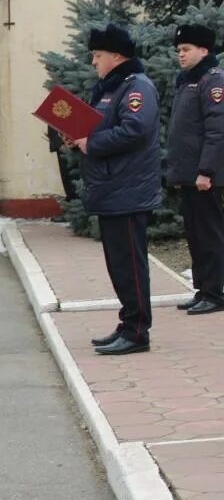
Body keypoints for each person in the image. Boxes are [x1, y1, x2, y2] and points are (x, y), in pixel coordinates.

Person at [66, 24, 161, 356]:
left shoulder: (137, 88)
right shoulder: (110, 88)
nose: (93, 61)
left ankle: (137, 332)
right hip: (112, 187)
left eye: (98, 55)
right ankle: (128, 322)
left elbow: (134, 130)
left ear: (117, 56)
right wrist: (78, 138)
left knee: (130, 264)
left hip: (128, 188)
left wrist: (90, 143)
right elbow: (103, 127)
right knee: (119, 264)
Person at [165, 23, 224, 315]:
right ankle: (203, 289)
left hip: (205, 177)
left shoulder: (212, 81)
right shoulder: (188, 80)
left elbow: (217, 130)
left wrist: (206, 171)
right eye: (179, 50)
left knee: (210, 233)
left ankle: (215, 293)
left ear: (204, 50)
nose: (181, 55)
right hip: (189, 175)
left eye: (186, 49)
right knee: (196, 233)